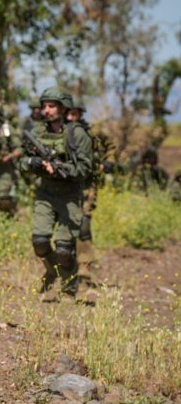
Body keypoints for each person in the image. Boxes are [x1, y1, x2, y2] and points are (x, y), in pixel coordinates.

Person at [19, 87, 93, 297]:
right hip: (45, 193)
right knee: (40, 243)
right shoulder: (37, 132)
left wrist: (62, 170)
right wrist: (33, 162)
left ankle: (69, 291)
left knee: (64, 249)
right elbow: (21, 161)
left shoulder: (77, 133)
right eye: (44, 106)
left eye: (51, 106)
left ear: (63, 107)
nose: (46, 110)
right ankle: (53, 271)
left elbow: (85, 169)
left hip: (69, 195)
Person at [66, 99, 113, 286]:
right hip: (65, 185)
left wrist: (108, 162)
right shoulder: (59, 132)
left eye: (75, 113)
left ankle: (84, 266)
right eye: (68, 113)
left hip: (87, 183)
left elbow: (111, 146)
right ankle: (66, 267)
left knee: (84, 224)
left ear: (81, 114)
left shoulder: (92, 131)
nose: (71, 117)